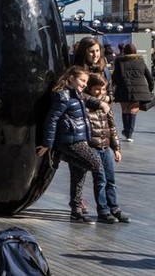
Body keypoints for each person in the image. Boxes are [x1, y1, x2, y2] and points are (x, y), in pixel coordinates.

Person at [38, 66, 109, 223]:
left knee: (79, 173)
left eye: (86, 81)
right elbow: (52, 119)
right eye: (82, 80)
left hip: (79, 139)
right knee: (97, 164)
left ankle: (76, 210)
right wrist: (48, 143)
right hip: (71, 141)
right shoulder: (63, 96)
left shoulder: (75, 94)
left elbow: (87, 98)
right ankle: (103, 209)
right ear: (71, 78)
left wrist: (100, 104)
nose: (84, 84)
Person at [80, 73, 127, 223]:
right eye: (96, 89)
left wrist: (116, 148)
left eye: (103, 89)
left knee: (111, 179)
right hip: (93, 148)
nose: (100, 93)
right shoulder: (85, 106)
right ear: (90, 89)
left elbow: (112, 128)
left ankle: (114, 208)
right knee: (100, 179)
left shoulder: (106, 106)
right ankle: (103, 210)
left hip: (106, 148)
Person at [111, 43, 153, 142]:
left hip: (123, 88)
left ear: (124, 51)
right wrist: (150, 89)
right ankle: (130, 134)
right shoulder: (140, 60)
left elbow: (115, 77)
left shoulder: (119, 61)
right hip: (139, 90)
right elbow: (149, 77)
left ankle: (126, 131)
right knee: (133, 110)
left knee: (125, 109)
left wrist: (115, 87)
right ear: (135, 51)